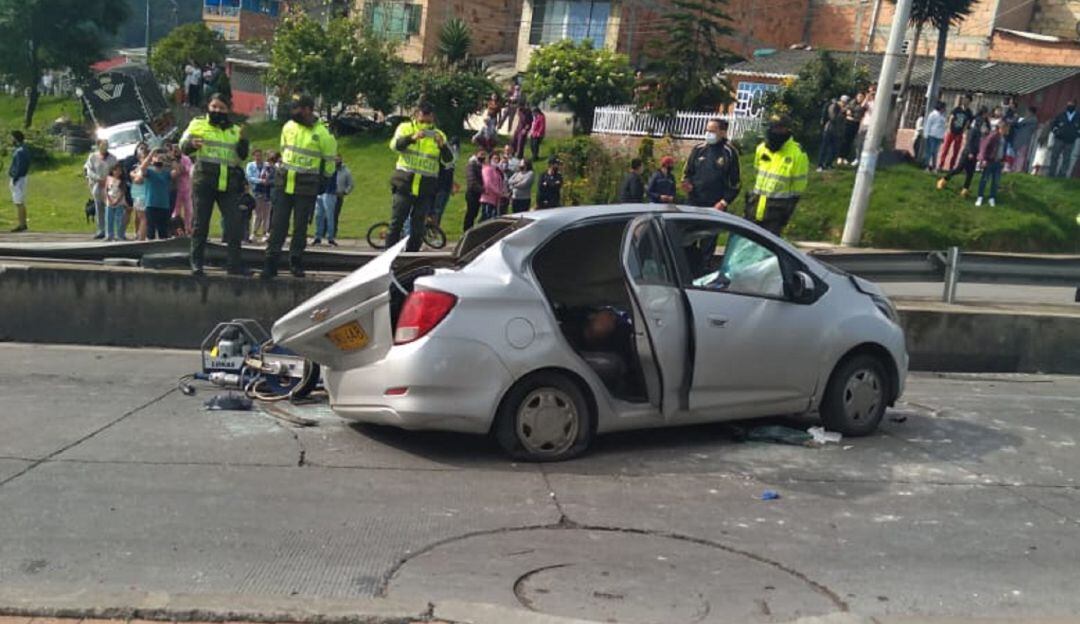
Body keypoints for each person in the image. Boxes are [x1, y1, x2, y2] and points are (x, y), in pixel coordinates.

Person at [262, 94, 337, 279]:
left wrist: (323, 181)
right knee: (278, 225)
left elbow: (329, 162)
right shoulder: (288, 126)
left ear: (308, 109)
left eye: (297, 108)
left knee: (300, 227)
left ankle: (295, 262)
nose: (293, 112)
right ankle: (270, 264)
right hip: (284, 182)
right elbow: (284, 150)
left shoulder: (323, 134)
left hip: (306, 185)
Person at [180, 93, 250, 276]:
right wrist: (191, 144)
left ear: (228, 110)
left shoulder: (235, 130)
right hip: (204, 180)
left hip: (228, 182)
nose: (217, 110)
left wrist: (243, 140)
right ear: (208, 107)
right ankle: (196, 263)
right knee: (200, 224)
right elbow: (182, 146)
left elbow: (242, 156)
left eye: (221, 108)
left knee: (234, 225)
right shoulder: (198, 123)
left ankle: (234, 265)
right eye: (214, 107)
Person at [386, 100, 453, 252]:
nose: (426, 118)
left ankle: (411, 257)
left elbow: (449, 160)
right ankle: (388, 257)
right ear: (417, 114)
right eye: (423, 114)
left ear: (433, 117)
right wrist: (411, 138)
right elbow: (394, 146)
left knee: (418, 228)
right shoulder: (405, 128)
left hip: (425, 189)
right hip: (404, 184)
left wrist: (442, 146)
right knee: (396, 223)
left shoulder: (439, 134)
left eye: (429, 115)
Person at [745, 115, 809, 235]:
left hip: (777, 209)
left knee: (768, 246)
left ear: (787, 130)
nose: (774, 131)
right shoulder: (762, 148)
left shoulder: (797, 153)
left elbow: (798, 187)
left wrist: (788, 209)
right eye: (772, 128)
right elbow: (756, 171)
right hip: (755, 205)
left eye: (779, 128)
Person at [681, 118, 741, 210]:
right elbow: (687, 172)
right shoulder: (698, 149)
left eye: (712, 131)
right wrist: (686, 183)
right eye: (707, 130)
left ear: (722, 132)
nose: (708, 134)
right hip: (693, 202)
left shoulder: (729, 152)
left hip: (715, 205)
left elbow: (736, 183)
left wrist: (724, 202)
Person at [937, 107, 988, 197]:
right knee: (958, 169)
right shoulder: (973, 129)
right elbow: (969, 142)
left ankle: (965, 190)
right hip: (968, 153)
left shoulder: (980, 129)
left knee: (970, 173)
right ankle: (943, 180)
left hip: (975, 153)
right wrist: (970, 152)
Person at [139, 148, 179, 240]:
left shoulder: (166, 173)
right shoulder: (149, 172)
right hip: (151, 205)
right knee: (151, 230)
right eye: (157, 158)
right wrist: (151, 154)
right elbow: (142, 168)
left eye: (161, 159)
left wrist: (172, 158)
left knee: (163, 231)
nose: (159, 159)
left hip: (164, 206)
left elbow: (177, 171)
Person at [85, 140, 118, 239]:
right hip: (97, 185)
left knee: (109, 208)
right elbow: (89, 170)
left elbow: (116, 171)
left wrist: (109, 180)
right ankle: (101, 230)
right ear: (98, 146)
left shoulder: (113, 158)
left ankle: (110, 231)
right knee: (99, 208)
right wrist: (98, 179)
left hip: (110, 186)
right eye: (103, 145)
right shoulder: (93, 157)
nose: (105, 147)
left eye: (106, 145)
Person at [975, 120, 1009, 207]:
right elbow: (984, 147)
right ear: (1000, 128)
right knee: (985, 179)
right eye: (1004, 128)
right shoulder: (993, 136)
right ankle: (980, 197)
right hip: (990, 161)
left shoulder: (1004, 138)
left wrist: (1003, 161)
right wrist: (983, 159)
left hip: (998, 162)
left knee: (995, 181)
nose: (1006, 130)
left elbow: (1003, 151)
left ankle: (992, 197)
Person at [939, 94, 974, 172]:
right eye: (965, 100)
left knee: (956, 151)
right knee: (945, 149)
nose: (965, 101)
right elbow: (951, 118)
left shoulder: (969, 112)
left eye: (967, 100)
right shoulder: (957, 109)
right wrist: (949, 128)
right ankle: (941, 165)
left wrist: (963, 131)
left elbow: (968, 123)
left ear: (970, 102)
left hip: (959, 133)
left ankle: (951, 167)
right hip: (951, 131)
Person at [312, 153, 340, 246]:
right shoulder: (320, 165)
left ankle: (330, 237)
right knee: (318, 215)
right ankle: (318, 237)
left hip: (329, 192)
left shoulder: (331, 166)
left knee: (329, 216)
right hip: (320, 192)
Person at [245, 148, 272, 240]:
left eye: (260, 155)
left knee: (266, 214)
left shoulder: (267, 166)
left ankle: (265, 232)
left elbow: (272, 174)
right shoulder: (250, 165)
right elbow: (249, 177)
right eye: (256, 155)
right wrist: (260, 181)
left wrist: (268, 181)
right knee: (257, 213)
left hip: (266, 192)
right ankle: (254, 232)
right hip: (256, 191)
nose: (258, 157)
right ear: (253, 156)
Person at [1048, 100, 1078, 178]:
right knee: (1054, 156)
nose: (1069, 106)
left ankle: (1062, 175)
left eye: (1071, 104)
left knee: (1066, 158)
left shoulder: (1078, 116)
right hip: (1059, 139)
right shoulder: (1061, 114)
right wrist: (1056, 131)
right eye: (1068, 104)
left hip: (1070, 141)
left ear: (1075, 105)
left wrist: (1076, 134)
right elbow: (1053, 124)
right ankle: (1051, 173)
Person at [8, 130, 29, 232]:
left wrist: (15, 178)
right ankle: (23, 223)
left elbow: (20, 166)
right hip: (22, 178)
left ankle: (21, 225)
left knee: (18, 202)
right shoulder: (23, 149)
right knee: (21, 202)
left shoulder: (20, 151)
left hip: (18, 179)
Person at [171, 143, 193, 234]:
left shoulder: (186, 159)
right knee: (176, 209)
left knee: (189, 209)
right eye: (174, 149)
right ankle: (177, 228)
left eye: (177, 149)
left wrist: (180, 166)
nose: (176, 151)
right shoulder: (171, 160)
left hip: (187, 187)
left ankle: (188, 227)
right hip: (176, 188)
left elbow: (188, 170)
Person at [128, 143, 149, 240]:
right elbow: (132, 175)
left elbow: (139, 180)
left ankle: (142, 237)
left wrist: (134, 175)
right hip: (135, 193)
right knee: (137, 215)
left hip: (143, 193)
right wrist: (133, 174)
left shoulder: (148, 165)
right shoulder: (136, 165)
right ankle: (137, 233)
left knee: (143, 217)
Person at [817, 96, 843, 171]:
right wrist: (841, 112)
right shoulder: (833, 106)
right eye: (843, 102)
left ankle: (828, 164)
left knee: (834, 149)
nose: (844, 104)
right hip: (829, 130)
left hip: (837, 131)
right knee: (824, 147)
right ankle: (820, 165)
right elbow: (833, 118)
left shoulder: (840, 108)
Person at [1009, 107, 1038, 173]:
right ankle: (1014, 167)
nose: (1026, 113)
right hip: (1020, 138)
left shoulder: (1032, 119)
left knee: (1021, 155)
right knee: (1017, 154)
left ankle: (1018, 169)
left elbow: (1019, 124)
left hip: (1024, 139)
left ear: (1031, 112)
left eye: (1027, 111)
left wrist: (1016, 118)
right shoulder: (1028, 119)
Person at [480, 152, 507, 221]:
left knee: (492, 218)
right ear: (490, 159)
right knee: (486, 218)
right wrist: (498, 192)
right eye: (494, 158)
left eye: (498, 159)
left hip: (495, 199)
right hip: (487, 198)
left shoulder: (497, 171)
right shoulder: (487, 169)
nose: (496, 160)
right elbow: (488, 183)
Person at [104, 163, 128, 241]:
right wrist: (109, 199)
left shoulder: (122, 181)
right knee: (109, 219)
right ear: (112, 171)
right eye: (115, 170)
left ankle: (119, 235)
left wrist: (117, 201)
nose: (117, 172)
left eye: (119, 170)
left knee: (119, 219)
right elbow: (106, 190)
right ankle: (109, 235)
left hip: (119, 202)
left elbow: (122, 192)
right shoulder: (108, 178)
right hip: (109, 202)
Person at [463, 148, 486, 231]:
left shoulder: (482, 166)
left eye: (484, 155)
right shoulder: (472, 165)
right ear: (476, 155)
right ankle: (466, 231)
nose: (483, 157)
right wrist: (483, 190)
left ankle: (471, 230)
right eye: (481, 154)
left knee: (474, 214)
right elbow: (472, 182)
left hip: (479, 194)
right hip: (472, 194)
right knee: (470, 214)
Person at [331, 154, 355, 232]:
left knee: (335, 215)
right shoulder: (329, 169)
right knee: (324, 215)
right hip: (329, 195)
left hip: (338, 196)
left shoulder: (346, 171)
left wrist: (345, 192)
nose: (336, 162)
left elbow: (351, 184)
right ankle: (324, 232)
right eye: (335, 160)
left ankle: (333, 232)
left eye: (338, 160)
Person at [923, 101, 947, 172]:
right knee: (929, 152)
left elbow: (943, 128)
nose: (944, 109)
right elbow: (928, 124)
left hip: (939, 137)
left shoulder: (942, 116)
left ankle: (934, 167)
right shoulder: (933, 114)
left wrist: (942, 137)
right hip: (932, 135)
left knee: (935, 152)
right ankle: (926, 166)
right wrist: (926, 134)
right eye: (944, 108)